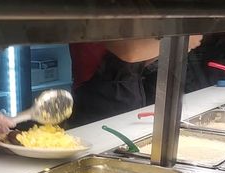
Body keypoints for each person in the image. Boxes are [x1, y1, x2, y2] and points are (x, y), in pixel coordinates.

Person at [67, 37, 203, 127]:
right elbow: (130, 52)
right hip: (96, 103)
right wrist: (182, 39)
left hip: (129, 97)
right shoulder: (101, 8)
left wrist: (180, 46)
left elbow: (140, 60)